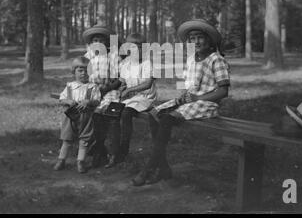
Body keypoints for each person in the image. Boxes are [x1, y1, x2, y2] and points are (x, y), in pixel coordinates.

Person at [132, 19, 231, 186]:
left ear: (209, 40)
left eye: (200, 37)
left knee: (167, 119)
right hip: (190, 101)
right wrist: (181, 99)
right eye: (192, 38)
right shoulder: (191, 59)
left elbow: (223, 91)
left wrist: (198, 98)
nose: (196, 42)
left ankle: (149, 168)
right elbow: (189, 87)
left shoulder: (216, 59)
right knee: (154, 113)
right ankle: (163, 168)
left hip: (207, 104)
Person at [105, 33, 157, 168]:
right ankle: (113, 152)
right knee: (112, 113)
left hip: (144, 98)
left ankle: (124, 149)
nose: (136, 51)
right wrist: (120, 87)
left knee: (126, 114)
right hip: (130, 98)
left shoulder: (147, 62)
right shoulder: (126, 63)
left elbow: (147, 84)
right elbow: (122, 80)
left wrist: (129, 90)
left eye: (140, 47)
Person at [82, 25, 122, 168]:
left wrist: (109, 87)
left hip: (111, 91)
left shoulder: (113, 56)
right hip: (93, 91)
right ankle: (99, 150)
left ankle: (113, 153)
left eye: (101, 40)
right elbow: (82, 76)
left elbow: (120, 78)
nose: (98, 43)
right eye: (94, 40)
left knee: (112, 117)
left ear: (107, 43)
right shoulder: (88, 57)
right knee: (95, 116)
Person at [54, 56, 101, 173]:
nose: (83, 73)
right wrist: (68, 101)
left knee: (84, 139)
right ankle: (61, 159)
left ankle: (80, 161)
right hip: (70, 116)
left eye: (86, 71)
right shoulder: (70, 86)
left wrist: (88, 101)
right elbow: (61, 99)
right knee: (67, 138)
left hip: (85, 116)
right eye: (80, 71)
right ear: (74, 72)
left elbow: (97, 100)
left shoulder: (93, 87)